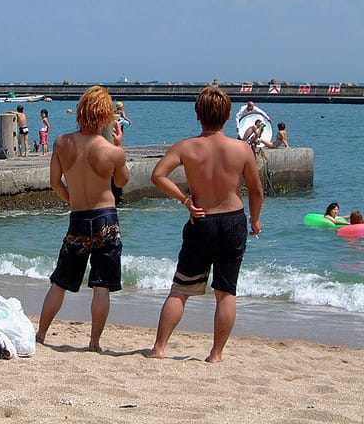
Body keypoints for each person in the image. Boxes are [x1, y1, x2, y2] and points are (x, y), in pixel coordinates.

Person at [145, 86, 263, 363]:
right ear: (228, 115)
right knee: (225, 292)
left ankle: (159, 348)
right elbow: (256, 191)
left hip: (201, 219)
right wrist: (256, 220)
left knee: (181, 289)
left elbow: (158, 175)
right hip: (233, 220)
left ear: (198, 115)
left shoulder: (187, 147)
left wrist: (186, 200)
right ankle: (216, 354)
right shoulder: (241, 149)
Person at [36, 85, 130, 351]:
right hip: (106, 219)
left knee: (60, 281)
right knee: (101, 285)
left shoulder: (62, 142)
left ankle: (41, 334)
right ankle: (94, 342)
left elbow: (55, 182)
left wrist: (72, 200)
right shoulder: (111, 151)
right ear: (106, 116)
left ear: (81, 112)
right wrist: (119, 148)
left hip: (78, 216)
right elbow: (122, 181)